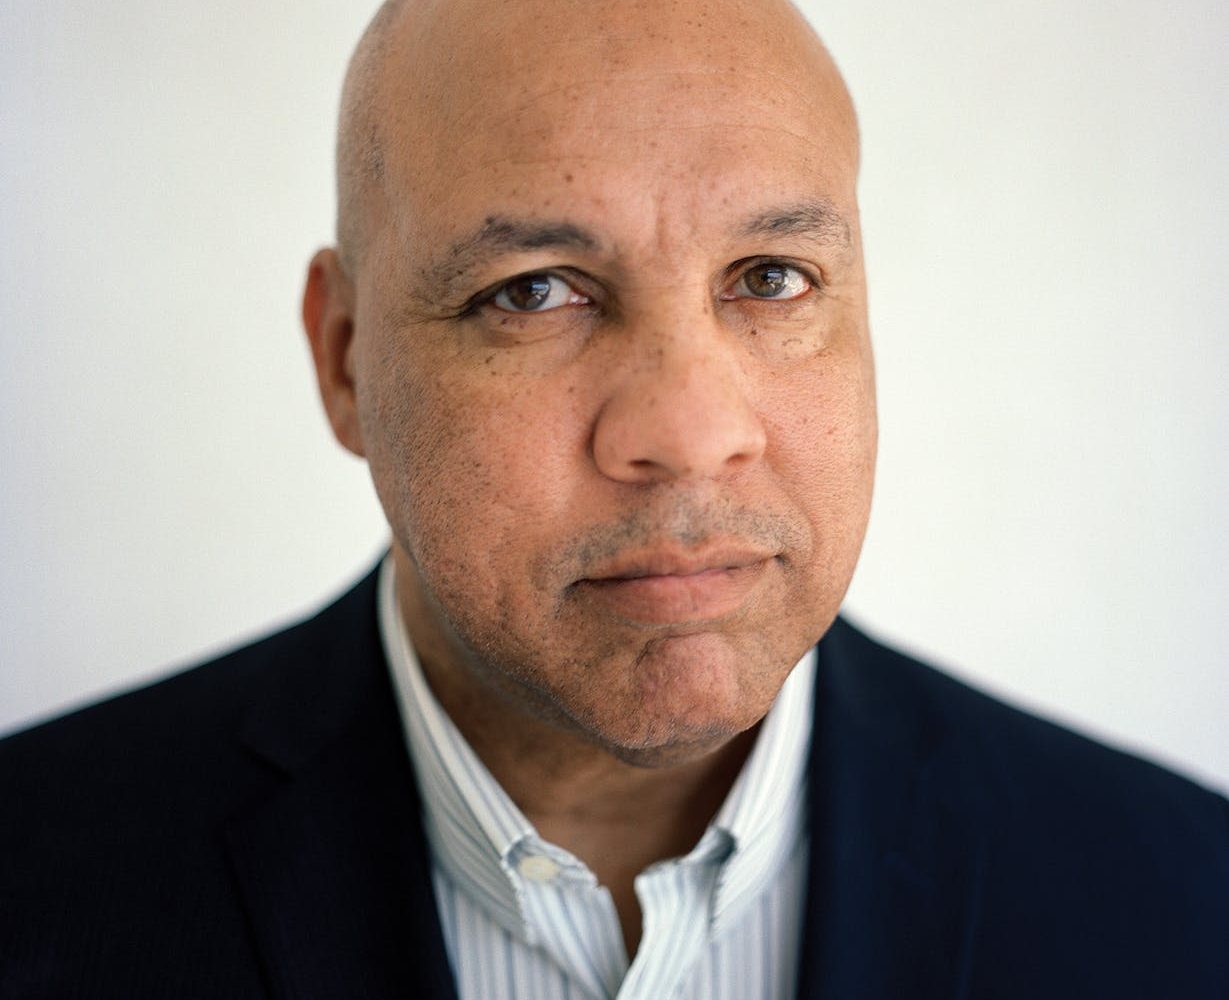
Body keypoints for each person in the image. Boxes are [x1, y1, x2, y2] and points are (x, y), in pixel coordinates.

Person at [1, 0, 1225, 997]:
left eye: (770, 276)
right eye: (533, 291)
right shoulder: (37, 880)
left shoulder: (1182, 901)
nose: (689, 436)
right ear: (346, 361)